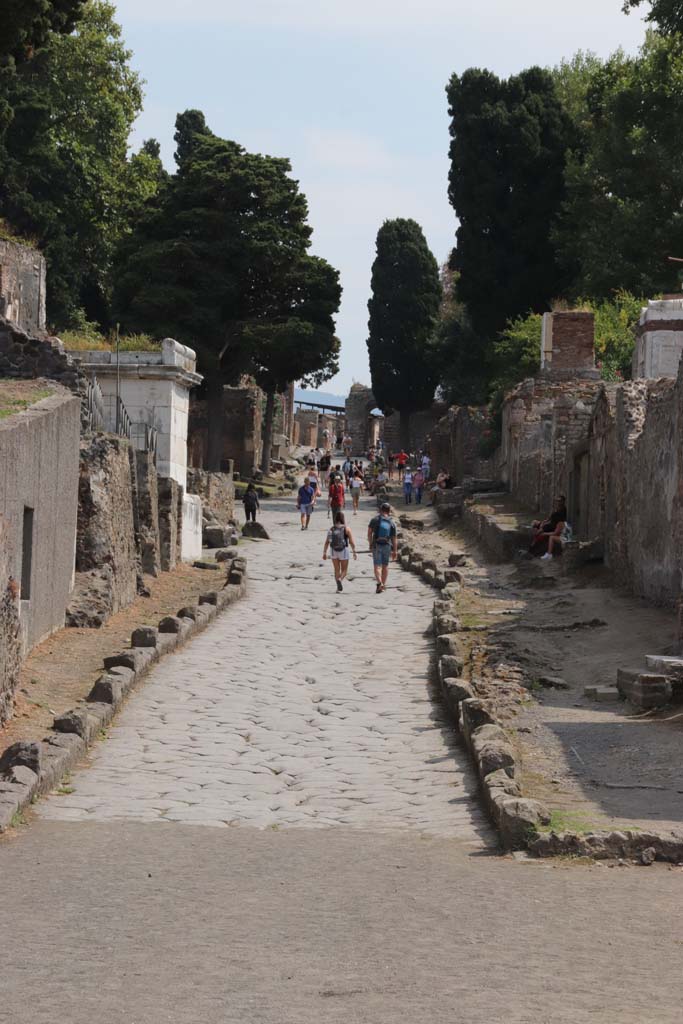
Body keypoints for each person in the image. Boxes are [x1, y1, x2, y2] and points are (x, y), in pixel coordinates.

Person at [323, 511, 357, 592]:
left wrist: (324, 552)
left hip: (333, 550)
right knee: (344, 570)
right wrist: (354, 552)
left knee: (336, 569)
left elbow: (327, 542)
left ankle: (338, 587)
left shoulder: (331, 529)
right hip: (343, 550)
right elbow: (351, 542)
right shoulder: (347, 528)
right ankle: (340, 580)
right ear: (343, 519)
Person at [368, 501, 398, 594]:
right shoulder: (392, 522)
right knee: (385, 566)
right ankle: (383, 585)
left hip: (377, 544)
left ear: (380, 510)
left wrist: (370, 543)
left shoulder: (375, 520)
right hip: (387, 545)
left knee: (377, 566)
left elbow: (369, 532)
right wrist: (395, 551)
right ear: (389, 511)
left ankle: (379, 583)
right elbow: (394, 538)